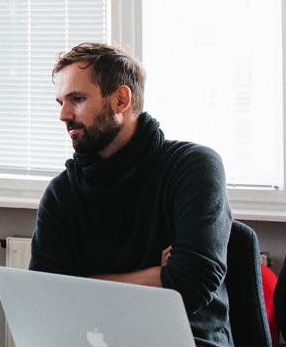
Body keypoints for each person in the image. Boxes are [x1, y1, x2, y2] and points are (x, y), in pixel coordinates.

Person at [30, 43, 232, 346]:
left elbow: (190, 283)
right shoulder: (62, 192)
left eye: (78, 99)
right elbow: (47, 296)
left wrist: (82, 284)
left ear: (121, 99)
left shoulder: (193, 167)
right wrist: (159, 276)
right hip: (91, 340)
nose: (63, 115)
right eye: (60, 102)